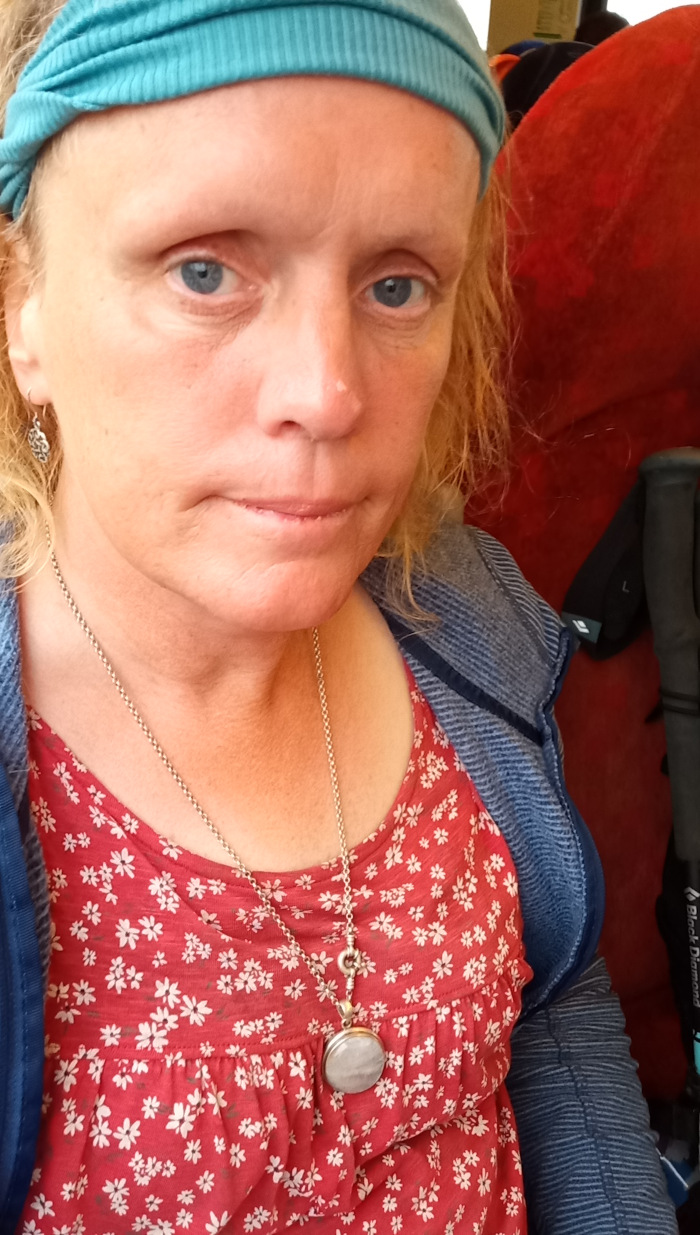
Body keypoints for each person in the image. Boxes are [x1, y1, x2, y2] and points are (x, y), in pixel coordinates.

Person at [0, 1, 678, 1233]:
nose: (327, 389)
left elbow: (555, 1010)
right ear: (22, 305)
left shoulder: (464, 611)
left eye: (396, 283)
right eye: (206, 269)